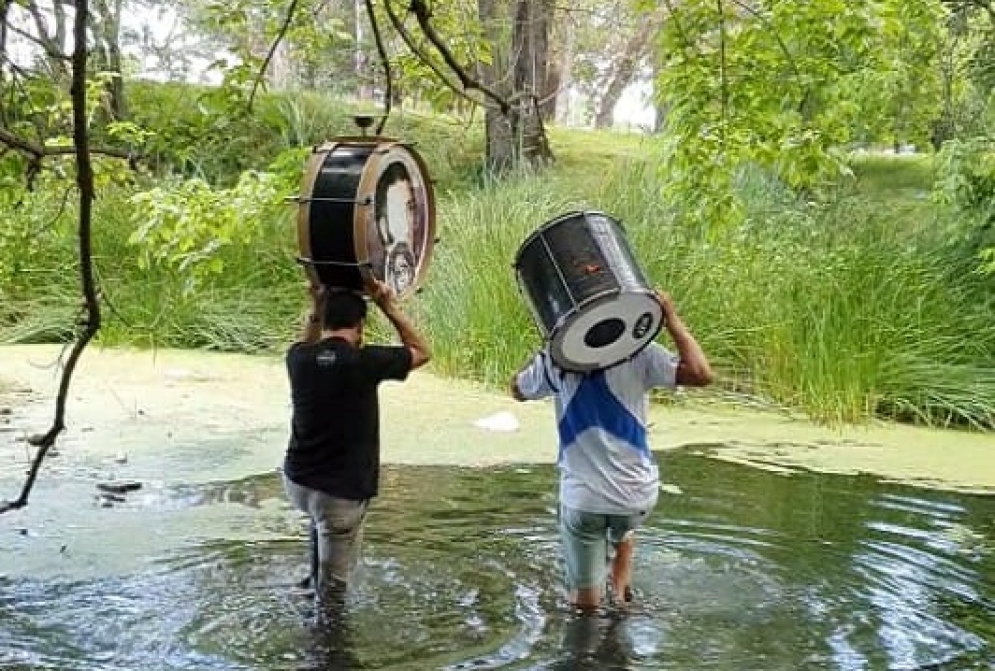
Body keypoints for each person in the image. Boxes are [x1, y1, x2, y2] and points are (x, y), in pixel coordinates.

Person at [510, 290, 712, 611]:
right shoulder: (643, 354)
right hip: (637, 497)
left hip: (584, 502)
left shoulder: (554, 361)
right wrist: (671, 319)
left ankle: (595, 616)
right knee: (623, 521)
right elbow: (702, 374)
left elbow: (517, 389)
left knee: (584, 606)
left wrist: (546, 346)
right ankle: (620, 592)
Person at [283, 279, 430, 617]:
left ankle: (310, 582)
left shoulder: (298, 360)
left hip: (298, 484)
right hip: (339, 495)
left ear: (325, 322)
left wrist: (316, 306)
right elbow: (421, 352)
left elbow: (307, 342)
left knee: (319, 525)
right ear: (360, 326)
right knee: (333, 599)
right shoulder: (366, 362)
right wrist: (388, 306)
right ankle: (328, 651)